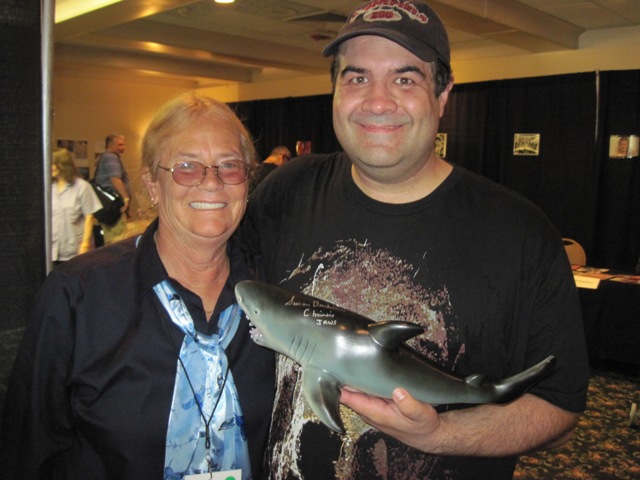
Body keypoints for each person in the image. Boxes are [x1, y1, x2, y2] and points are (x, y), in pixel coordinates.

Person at [237, 1, 589, 479]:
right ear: (335, 92)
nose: (378, 102)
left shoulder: (521, 232)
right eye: (357, 77)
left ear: (443, 95)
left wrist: (441, 435)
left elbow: (560, 409)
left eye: (405, 79)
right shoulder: (286, 191)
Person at [0, 94, 275, 479]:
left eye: (229, 166)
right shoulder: (77, 296)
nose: (212, 182)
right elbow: (27, 453)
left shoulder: (275, 293)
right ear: (152, 184)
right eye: (186, 167)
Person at [51, 148, 102, 265]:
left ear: (63, 165)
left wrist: (85, 244)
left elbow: (89, 217)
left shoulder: (82, 187)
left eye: (53, 164)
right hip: (54, 250)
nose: (50, 167)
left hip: (75, 250)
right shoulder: (49, 188)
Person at [95, 133, 132, 243]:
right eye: (120, 145)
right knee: (117, 240)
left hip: (110, 208)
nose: (123, 148)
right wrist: (126, 199)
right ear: (110, 145)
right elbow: (115, 179)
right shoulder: (111, 157)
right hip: (114, 207)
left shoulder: (105, 157)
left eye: (123, 145)